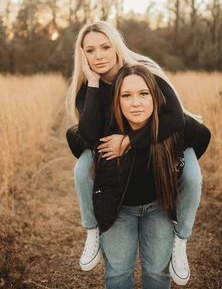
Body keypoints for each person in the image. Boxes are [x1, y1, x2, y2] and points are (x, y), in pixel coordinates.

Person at [66, 21, 210, 285]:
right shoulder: (90, 90)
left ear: (116, 47)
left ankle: (182, 239)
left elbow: (176, 118)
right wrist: (94, 82)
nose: (98, 55)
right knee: (83, 167)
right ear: (82, 55)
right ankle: (92, 230)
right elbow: (88, 136)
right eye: (90, 50)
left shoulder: (145, 73)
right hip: (121, 176)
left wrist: (129, 141)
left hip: (173, 134)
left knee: (191, 176)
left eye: (105, 47)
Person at [89, 64, 209, 288]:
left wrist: (181, 162)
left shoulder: (174, 127)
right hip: (118, 209)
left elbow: (203, 137)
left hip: (158, 208)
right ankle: (91, 232)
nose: (136, 103)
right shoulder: (105, 128)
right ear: (116, 100)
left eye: (144, 93)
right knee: (118, 273)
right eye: (126, 95)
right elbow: (74, 136)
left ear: (155, 97)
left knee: (156, 273)